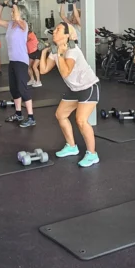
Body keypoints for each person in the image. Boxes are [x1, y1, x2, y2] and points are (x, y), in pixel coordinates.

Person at [39, 23, 100, 167]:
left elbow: (66, 72)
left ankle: (92, 155)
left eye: (58, 30)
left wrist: (60, 53)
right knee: (60, 115)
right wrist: (43, 52)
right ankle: (72, 146)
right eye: (54, 29)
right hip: (74, 89)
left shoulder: (72, 50)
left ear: (66, 35)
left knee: (81, 120)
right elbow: (43, 70)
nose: (54, 32)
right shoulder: (56, 51)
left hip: (88, 87)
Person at [0, 0, 35, 127]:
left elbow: (17, 17)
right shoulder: (10, 24)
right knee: (13, 89)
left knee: (22, 88)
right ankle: (18, 113)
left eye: (13, 12)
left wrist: (14, 4)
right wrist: (1, 6)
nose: (12, 14)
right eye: (11, 12)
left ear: (20, 13)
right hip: (12, 61)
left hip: (21, 61)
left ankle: (31, 117)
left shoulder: (23, 24)